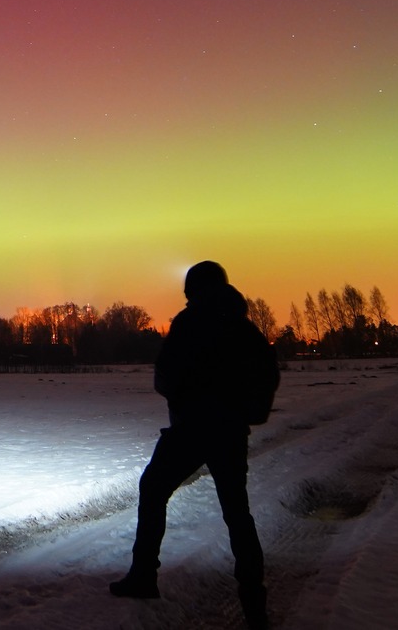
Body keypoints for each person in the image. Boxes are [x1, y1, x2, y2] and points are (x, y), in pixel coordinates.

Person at [109, 259, 277, 628]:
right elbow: (267, 373)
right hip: (229, 432)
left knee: (153, 489)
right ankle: (254, 603)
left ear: (195, 290)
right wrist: (248, 413)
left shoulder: (190, 322)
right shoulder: (243, 327)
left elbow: (166, 373)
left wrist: (183, 399)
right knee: (237, 513)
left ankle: (143, 576)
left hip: (192, 429)